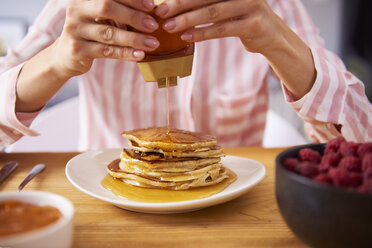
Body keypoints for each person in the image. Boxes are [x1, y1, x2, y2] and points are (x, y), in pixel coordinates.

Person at [0, 0, 371, 151]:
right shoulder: (82, 7)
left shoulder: (265, 6)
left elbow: (362, 140)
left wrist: (277, 41)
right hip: (110, 215)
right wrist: (57, 61)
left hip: (232, 222)